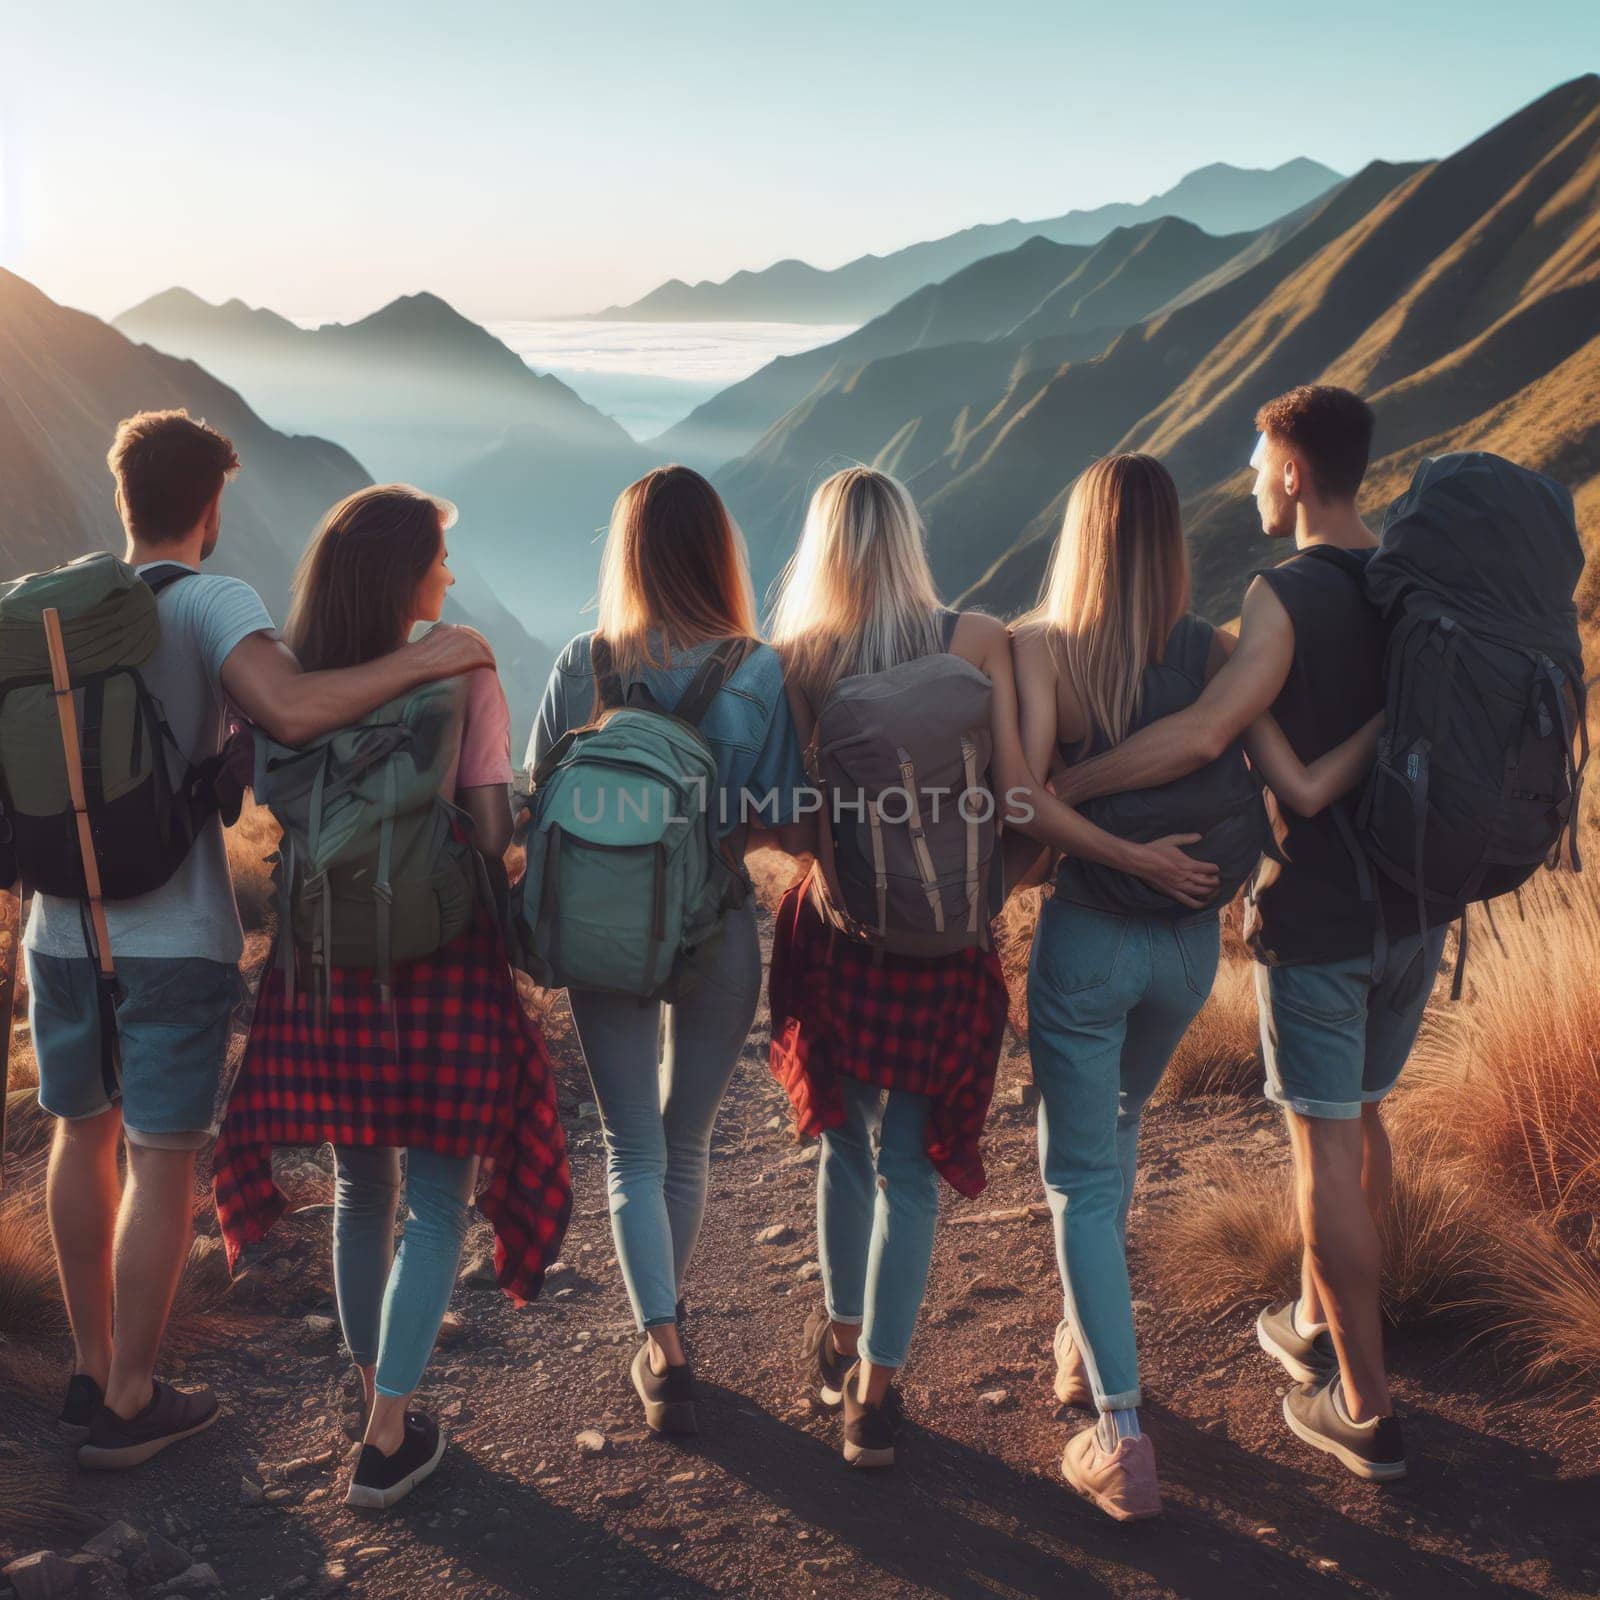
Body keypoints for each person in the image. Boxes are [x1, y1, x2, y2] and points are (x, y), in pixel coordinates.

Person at [36, 412, 493, 1470]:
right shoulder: (211, 600)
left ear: (121, 496)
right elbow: (289, 712)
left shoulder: (62, 605)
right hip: (172, 929)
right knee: (158, 1157)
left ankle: (90, 1369)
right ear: (212, 506)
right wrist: (444, 659)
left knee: (77, 1131)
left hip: (58, 927)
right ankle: (134, 1396)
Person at [764, 466, 1205, 1471]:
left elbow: (798, 824)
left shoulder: (797, 661)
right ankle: (874, 1397)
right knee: (910, 1173)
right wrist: (979, 898)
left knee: (845, 1142)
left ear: (822, 551)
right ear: (910, 541)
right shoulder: (978, 638)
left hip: (842, 939)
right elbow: (1019, 796)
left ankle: (838, 1341)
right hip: (950, 948)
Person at [1054, 389, 1450, 1482]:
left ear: (1289, 472)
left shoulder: (1285, 592)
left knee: (1322, 1150)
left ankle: (1363, 1411)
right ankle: (1318, 1324)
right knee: (1363, 1121)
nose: (1248, 477)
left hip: (1321, 922)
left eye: (1255, 458)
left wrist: (1062, 790)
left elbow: (1196, 734)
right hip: (1419, 913)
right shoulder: (1412, 587)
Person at [1011, 451, 1378, 1519]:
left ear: (1078, 537)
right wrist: (1389, 720)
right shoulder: (1215, 647)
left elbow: (1027, 803)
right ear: (1170, 545)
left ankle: (1120, 1432)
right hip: (1184, 951)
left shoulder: (1042, 650)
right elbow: (1287, 781)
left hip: (1088, 939)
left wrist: (1125, 857)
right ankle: (1083, 1346)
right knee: (1118, 1135)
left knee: (1078, 1177)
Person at [213, 484, 571, 1510]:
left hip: (324, 967)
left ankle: (378, 1400)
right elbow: (493, 831)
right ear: (402, 571)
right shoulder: (460, 667)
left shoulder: (287, 674)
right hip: (442, 963)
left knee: (363, 1192)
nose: (451, 577)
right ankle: (384, 1432)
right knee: (438, 1204)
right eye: (439, 559)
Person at [527, 464, 808, 1437]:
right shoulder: (758, 670)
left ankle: (664, 1345)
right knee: (682, 1141)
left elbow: (539, 796)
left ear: (630, 552)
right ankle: (666, 1331)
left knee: (629, 1145)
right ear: (717, 550)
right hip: (718, 926)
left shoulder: (583, 660)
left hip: (602, 927)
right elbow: (789, 818)